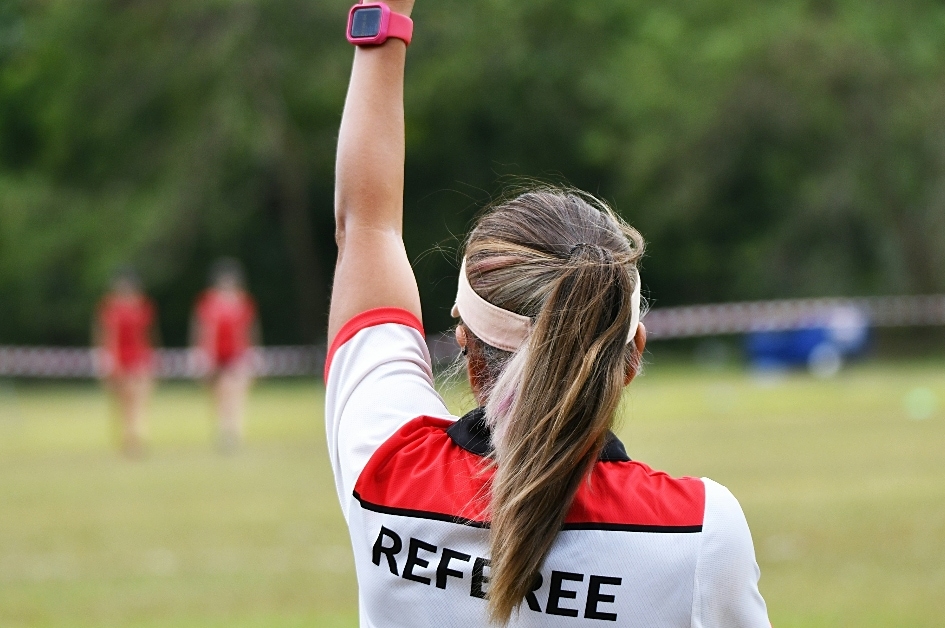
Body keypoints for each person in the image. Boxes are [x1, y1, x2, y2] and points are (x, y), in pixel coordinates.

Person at [325, 2, 770, 626]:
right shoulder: (696, 532)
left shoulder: (386, 469)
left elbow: (365, 227)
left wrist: (384, 16)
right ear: (632, 353)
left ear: (466, 348)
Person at [192, 258, 258, 453]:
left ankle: (233, 430)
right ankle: (223, 429)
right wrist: (202, 354)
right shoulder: (208, 303)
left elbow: (249, 330)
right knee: (219, 396)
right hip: (215, 356)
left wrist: (251, 354)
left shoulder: (243, 302)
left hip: (237, 355)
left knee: (235, 393)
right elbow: (202, 329)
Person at [94, 268, 156, 458]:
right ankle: (127, 438)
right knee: (122, 403)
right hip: (118, 360)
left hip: (139, 359)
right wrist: (106, 360)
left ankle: (136, 437)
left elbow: (148, 335)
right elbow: (105, 335)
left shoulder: (142, 308)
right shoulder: (110, 308)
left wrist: (150, 360)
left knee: (138, 400)